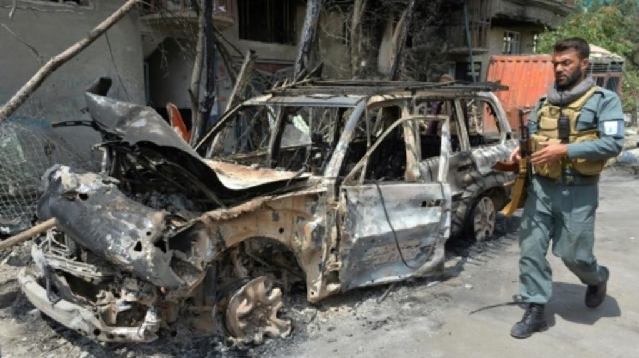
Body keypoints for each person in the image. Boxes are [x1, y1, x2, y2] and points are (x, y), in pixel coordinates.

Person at [508, 37, 624, 339]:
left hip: (578, 191)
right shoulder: (544, 102)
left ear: (584, 64)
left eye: (566, 63)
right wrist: (522, 150)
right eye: (555, 63)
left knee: (576, 256)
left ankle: (597, 278)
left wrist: (565, 150)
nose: (558, 69)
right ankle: (535, 309)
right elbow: (533, 135)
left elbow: (613, 144)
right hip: (542, 189)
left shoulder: (604, 100)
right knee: (530, 249)